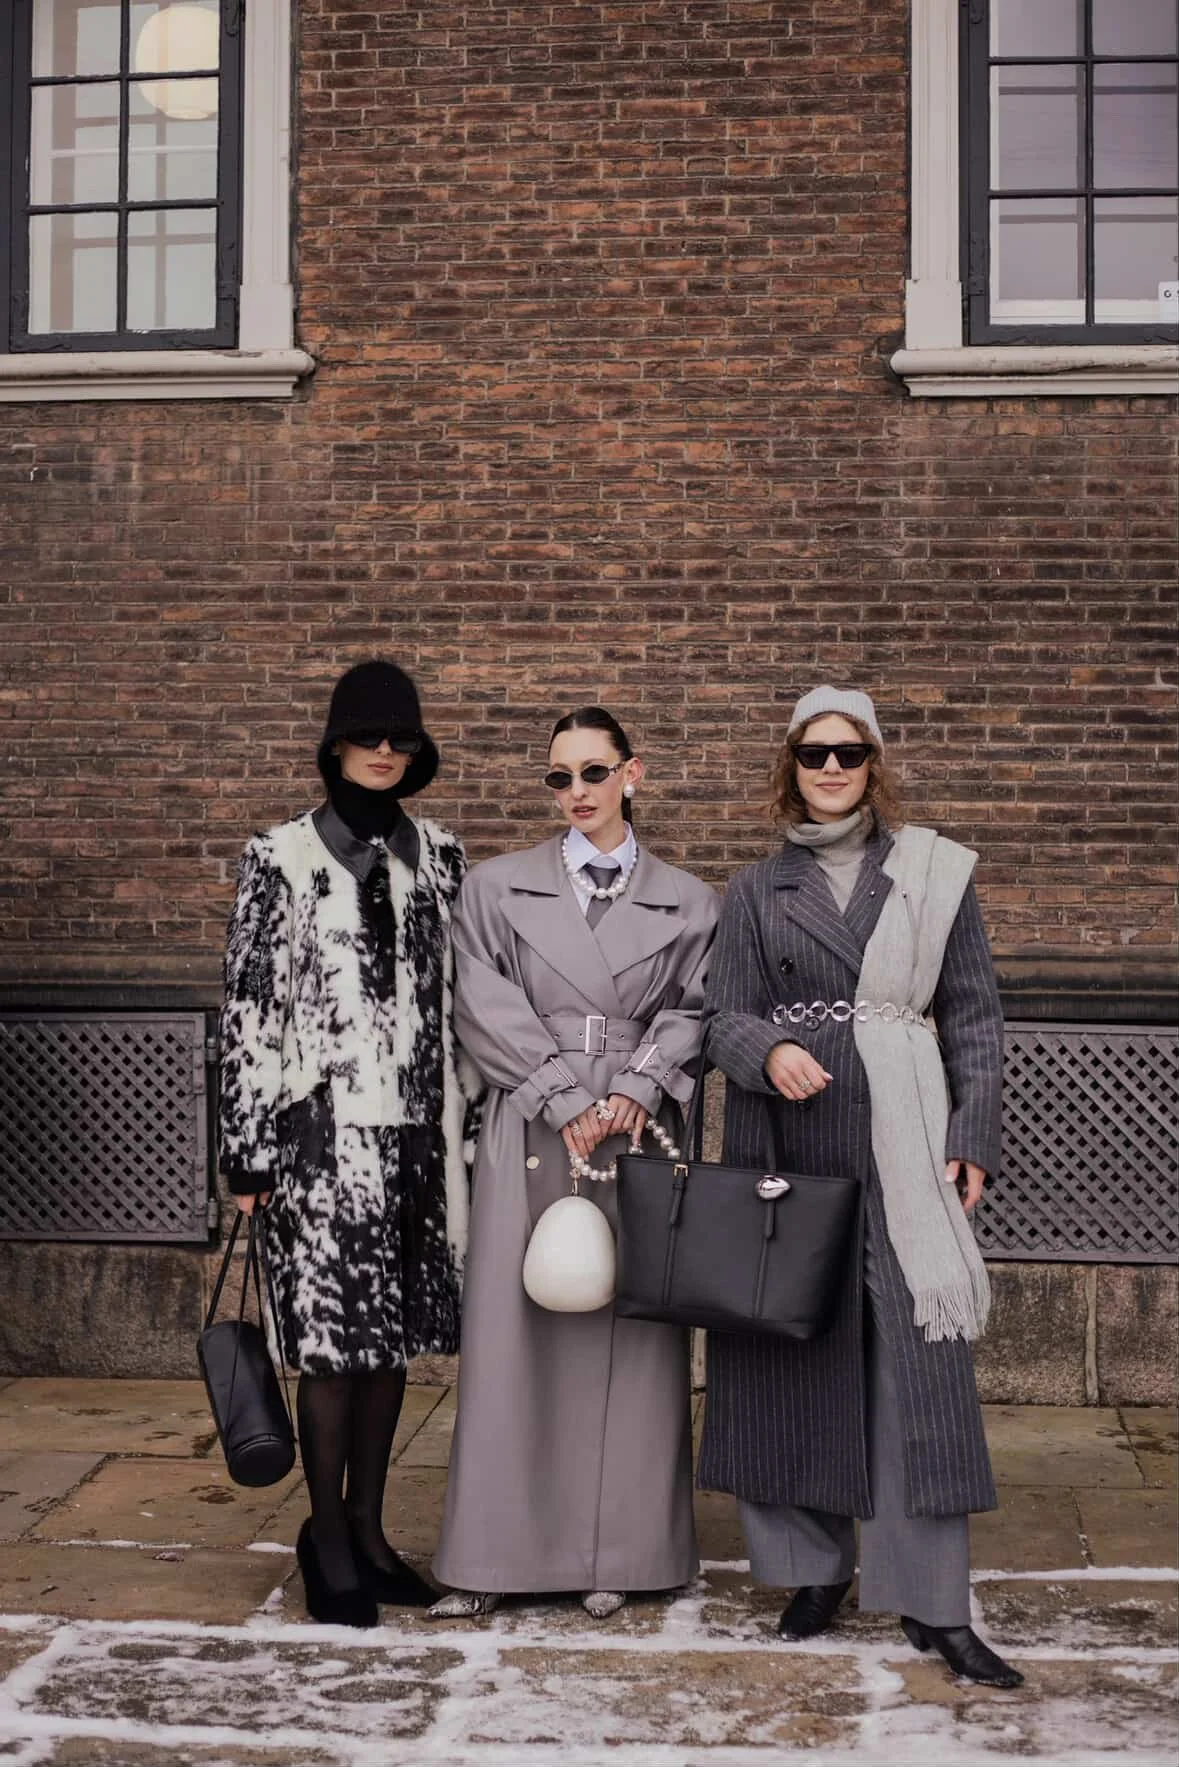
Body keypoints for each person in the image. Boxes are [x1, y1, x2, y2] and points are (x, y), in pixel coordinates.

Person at [697, 686, 1023, 1689]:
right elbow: (719, 1018)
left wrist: (972, 1134)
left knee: (914, 1372)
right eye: (811, 753)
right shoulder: (755, 892)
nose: (829, 769)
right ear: (789, 765)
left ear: (873, 763)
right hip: (788, 1148)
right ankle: (810, 1572)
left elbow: (973, 1014)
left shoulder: (933, 876)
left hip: (903, 1150)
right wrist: (768, 1049)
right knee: (788, 1360)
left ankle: (935, 1604)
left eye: (847, 753)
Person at [428, 707, 718, 1620]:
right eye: (559, 777)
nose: (577, 793)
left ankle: (620, 1549)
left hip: (635, 1124)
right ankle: (493, 1555)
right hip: (532, 1118)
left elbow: (698, 1005)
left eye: (594, 772)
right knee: (516, 1331)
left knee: (629, 1336)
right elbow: (479, 999)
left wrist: (637, 1086)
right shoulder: (495, 888)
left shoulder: (690, 899)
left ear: (634, 773)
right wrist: (561, 1093)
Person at [218, 660, 480, 1628]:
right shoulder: (279, 857)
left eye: (399, 739)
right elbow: (251, 1007)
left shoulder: (443, 857)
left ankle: (371, 1534)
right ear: (334, 746)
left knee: (392, 1341)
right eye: (366, 737)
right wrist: (247, 1148)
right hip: (319, 1138)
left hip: (419, 1134)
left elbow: (466, 1003)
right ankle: (325, 1535)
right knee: (331, 1348)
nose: (383, 752)